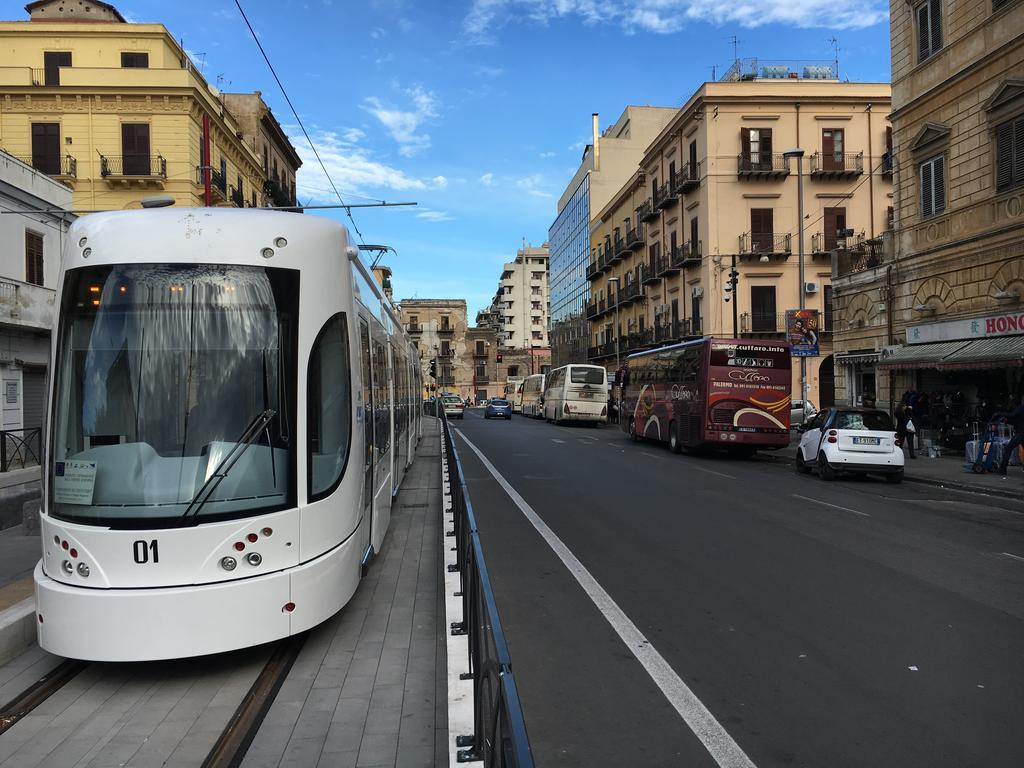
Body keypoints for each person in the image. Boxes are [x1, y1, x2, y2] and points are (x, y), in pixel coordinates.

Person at [997, 397, 1024, 477]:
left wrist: (999, 414)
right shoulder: (1020, 410)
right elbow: (1016, 421)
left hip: (1021, 433)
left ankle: (1002, 469)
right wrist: (1007, 421)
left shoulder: (1020, 408)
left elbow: (1013, 415)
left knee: (1008, 448)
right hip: (1021, 432)